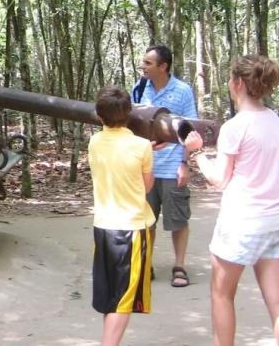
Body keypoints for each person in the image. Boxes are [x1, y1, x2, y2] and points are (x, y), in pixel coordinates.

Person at [183, 55, 279, 346]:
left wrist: (197, 153)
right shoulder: (274, 121)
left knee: (221, 295)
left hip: (241, 222)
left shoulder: (236, 126)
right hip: (272, 221)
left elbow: (219, 179)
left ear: (238, 83)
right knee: (277, 302)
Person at [88, 86, 155, 346]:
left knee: (111, 298)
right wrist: (148, 152)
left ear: (99, 115)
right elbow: (146, 186)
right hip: (131, 230)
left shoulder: (94, 141)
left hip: (103, 227)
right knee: (124, 299)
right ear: (129, 112)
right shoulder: (142, 146)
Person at [133, 45, 198, 287]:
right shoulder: (139, 89)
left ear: (163, 66)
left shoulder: (182, 91)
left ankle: (179, 266)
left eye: (148, 63)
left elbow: (189, 130)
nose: (143, 66)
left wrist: (184, 164)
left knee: (177, 220)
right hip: (145, 166)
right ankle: (145, 264)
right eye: (143, 62)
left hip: (172, 166)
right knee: (145, 219)